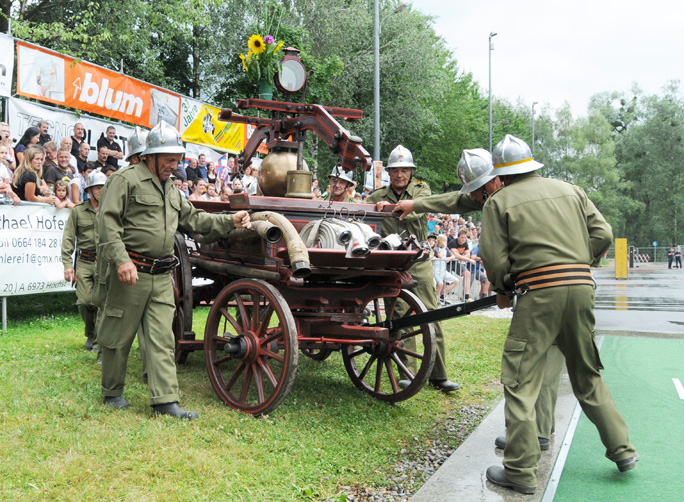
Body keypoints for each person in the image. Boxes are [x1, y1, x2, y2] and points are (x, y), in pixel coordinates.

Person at [460, 135, 638, 494]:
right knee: (587, 374)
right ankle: (622, 450)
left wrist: (504, 287)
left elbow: (494, 257)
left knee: (520, 381)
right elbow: (603, 233)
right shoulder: (571, 190)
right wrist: (578, 262)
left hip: (538, 294)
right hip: (582, 288)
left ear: (500, 173)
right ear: (531, 164)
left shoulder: (499, 201)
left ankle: (520, 471)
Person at [96, 120, 252, 419]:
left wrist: (230, 220)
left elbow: (196, 221)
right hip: (131, 273)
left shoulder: (171, 190)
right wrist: (121, 260)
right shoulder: (124, 180)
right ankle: (112, 392)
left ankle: (165, 401)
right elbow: (107, 223)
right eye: (169, 159)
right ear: (150, 156)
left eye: (177, 159)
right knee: (117, 337)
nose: (175, 166)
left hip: (161, 276)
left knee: (162, 339)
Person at [367, 144, 475, 392]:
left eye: (404, 170)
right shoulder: (377, 195)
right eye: (395, 170)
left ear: (411, 172)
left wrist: (389, 209)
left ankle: (439, 375)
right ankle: (408, 373)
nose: (400, 175)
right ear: (389, 172)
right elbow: (365, 213)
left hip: (419, 260)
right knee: (400, 317)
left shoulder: (420, 190)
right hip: (392, 262)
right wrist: (375, 208)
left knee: (431, 314)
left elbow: (420, 210)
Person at [62, 171, 107, 351]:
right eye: (97, 187)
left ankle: (99, 342)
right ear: (89, 190)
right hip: (85, 262)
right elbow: (68, 238)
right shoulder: (78, 211)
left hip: (105, 261)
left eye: (103, 187)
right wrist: (67, 264)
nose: (100, 191)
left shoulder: (111, 210)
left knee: (103, 302)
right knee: (85, 301)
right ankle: (91, 333)